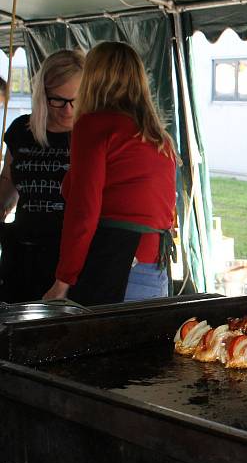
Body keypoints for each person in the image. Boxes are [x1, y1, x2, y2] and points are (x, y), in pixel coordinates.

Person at [43, 41, 177, 306]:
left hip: (117, 264)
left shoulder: (94, 125)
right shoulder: (158, 137)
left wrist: (63, 280)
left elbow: (83, 210)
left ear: (92, 78)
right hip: (154, 268)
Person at [0, 50, 84, 303]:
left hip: (67, 262)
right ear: (41, 95)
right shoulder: (21, 130)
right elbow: (8, 182)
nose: (68, 110)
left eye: (76, 100)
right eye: (57, 100)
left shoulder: (91, 136)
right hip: (20, 253)